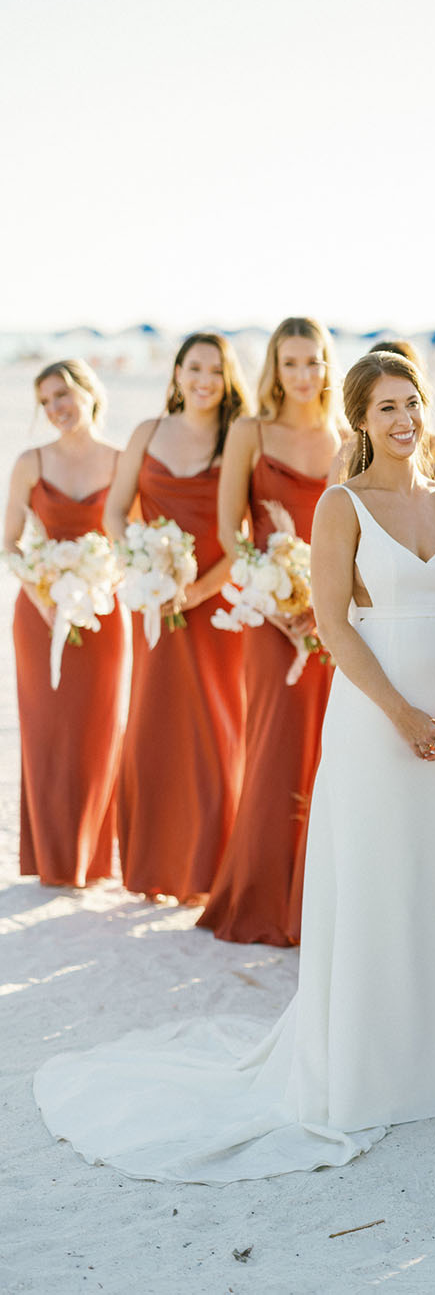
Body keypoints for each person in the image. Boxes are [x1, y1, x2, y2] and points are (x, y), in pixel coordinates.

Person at [34, 349, 435, 1184]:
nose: (404, 421)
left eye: (414, 405)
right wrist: (402, 715)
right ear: (362, 421)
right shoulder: (342, 504)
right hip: (374, 718)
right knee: (375, 876)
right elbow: (335, 625)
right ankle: (370, 1066)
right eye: (387, 409)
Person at [197, 318, 348, 946]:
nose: (304, 375)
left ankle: (316, 904)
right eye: (291, 363)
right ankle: (259, 898)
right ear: (273, 369)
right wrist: (275, 593)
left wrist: (319, 606)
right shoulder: (249, 433)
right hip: (265, 619)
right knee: (272, 746)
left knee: (326, 754)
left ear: (328, 366)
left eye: (313, 362)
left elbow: (352, 537)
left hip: (332, 622)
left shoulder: (347, 437)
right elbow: (234, 532)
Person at [104, 333, 249, 903]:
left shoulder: (236, 438)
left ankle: (208, 872)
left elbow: (239, 538)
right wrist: (142, 566)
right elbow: (116, 512)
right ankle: (152, 869)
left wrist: (196, 593)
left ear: (228, 377)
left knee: (215, 730)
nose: (204, 379)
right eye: (194, 367)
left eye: (216, 369)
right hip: (154, 605)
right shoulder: (146, 432)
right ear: (177, 372)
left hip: (214, 606)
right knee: (154, 727)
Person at [4, 360, 125, 887]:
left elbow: (133, 544)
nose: (56, 408)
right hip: (40, 612)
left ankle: (92, 858)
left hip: (102, 613)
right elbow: (8, 541)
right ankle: (53, 860)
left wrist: (102, 587)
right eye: (46, 401)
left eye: (63, 394)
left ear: (89, 391)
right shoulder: (30, 462)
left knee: (98, 729)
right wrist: (43, 592)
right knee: (47, 731)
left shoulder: (123, 462)